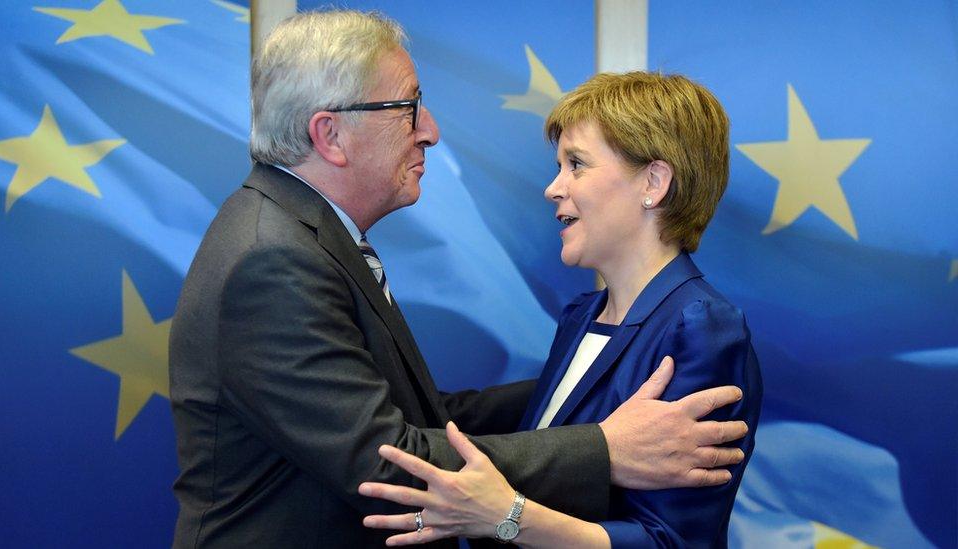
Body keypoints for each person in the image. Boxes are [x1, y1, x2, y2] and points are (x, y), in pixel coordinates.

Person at [169, 10, 750, 549]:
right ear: (330, 135)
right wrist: (603, 450)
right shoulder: (273, 257)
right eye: (408, 107)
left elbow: (420, 416)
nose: (431, 130)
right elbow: (390, 461)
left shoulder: (295, 235)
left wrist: (583, 385)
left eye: (577, 164)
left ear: (654, 183)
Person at [359, 72, 762, 548]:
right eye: (559, 165)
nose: (553, 187)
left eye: (577, 164)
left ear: (653, 182)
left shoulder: (700, 328)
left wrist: (507, 515)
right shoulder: (581, 316)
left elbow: (671, 541)